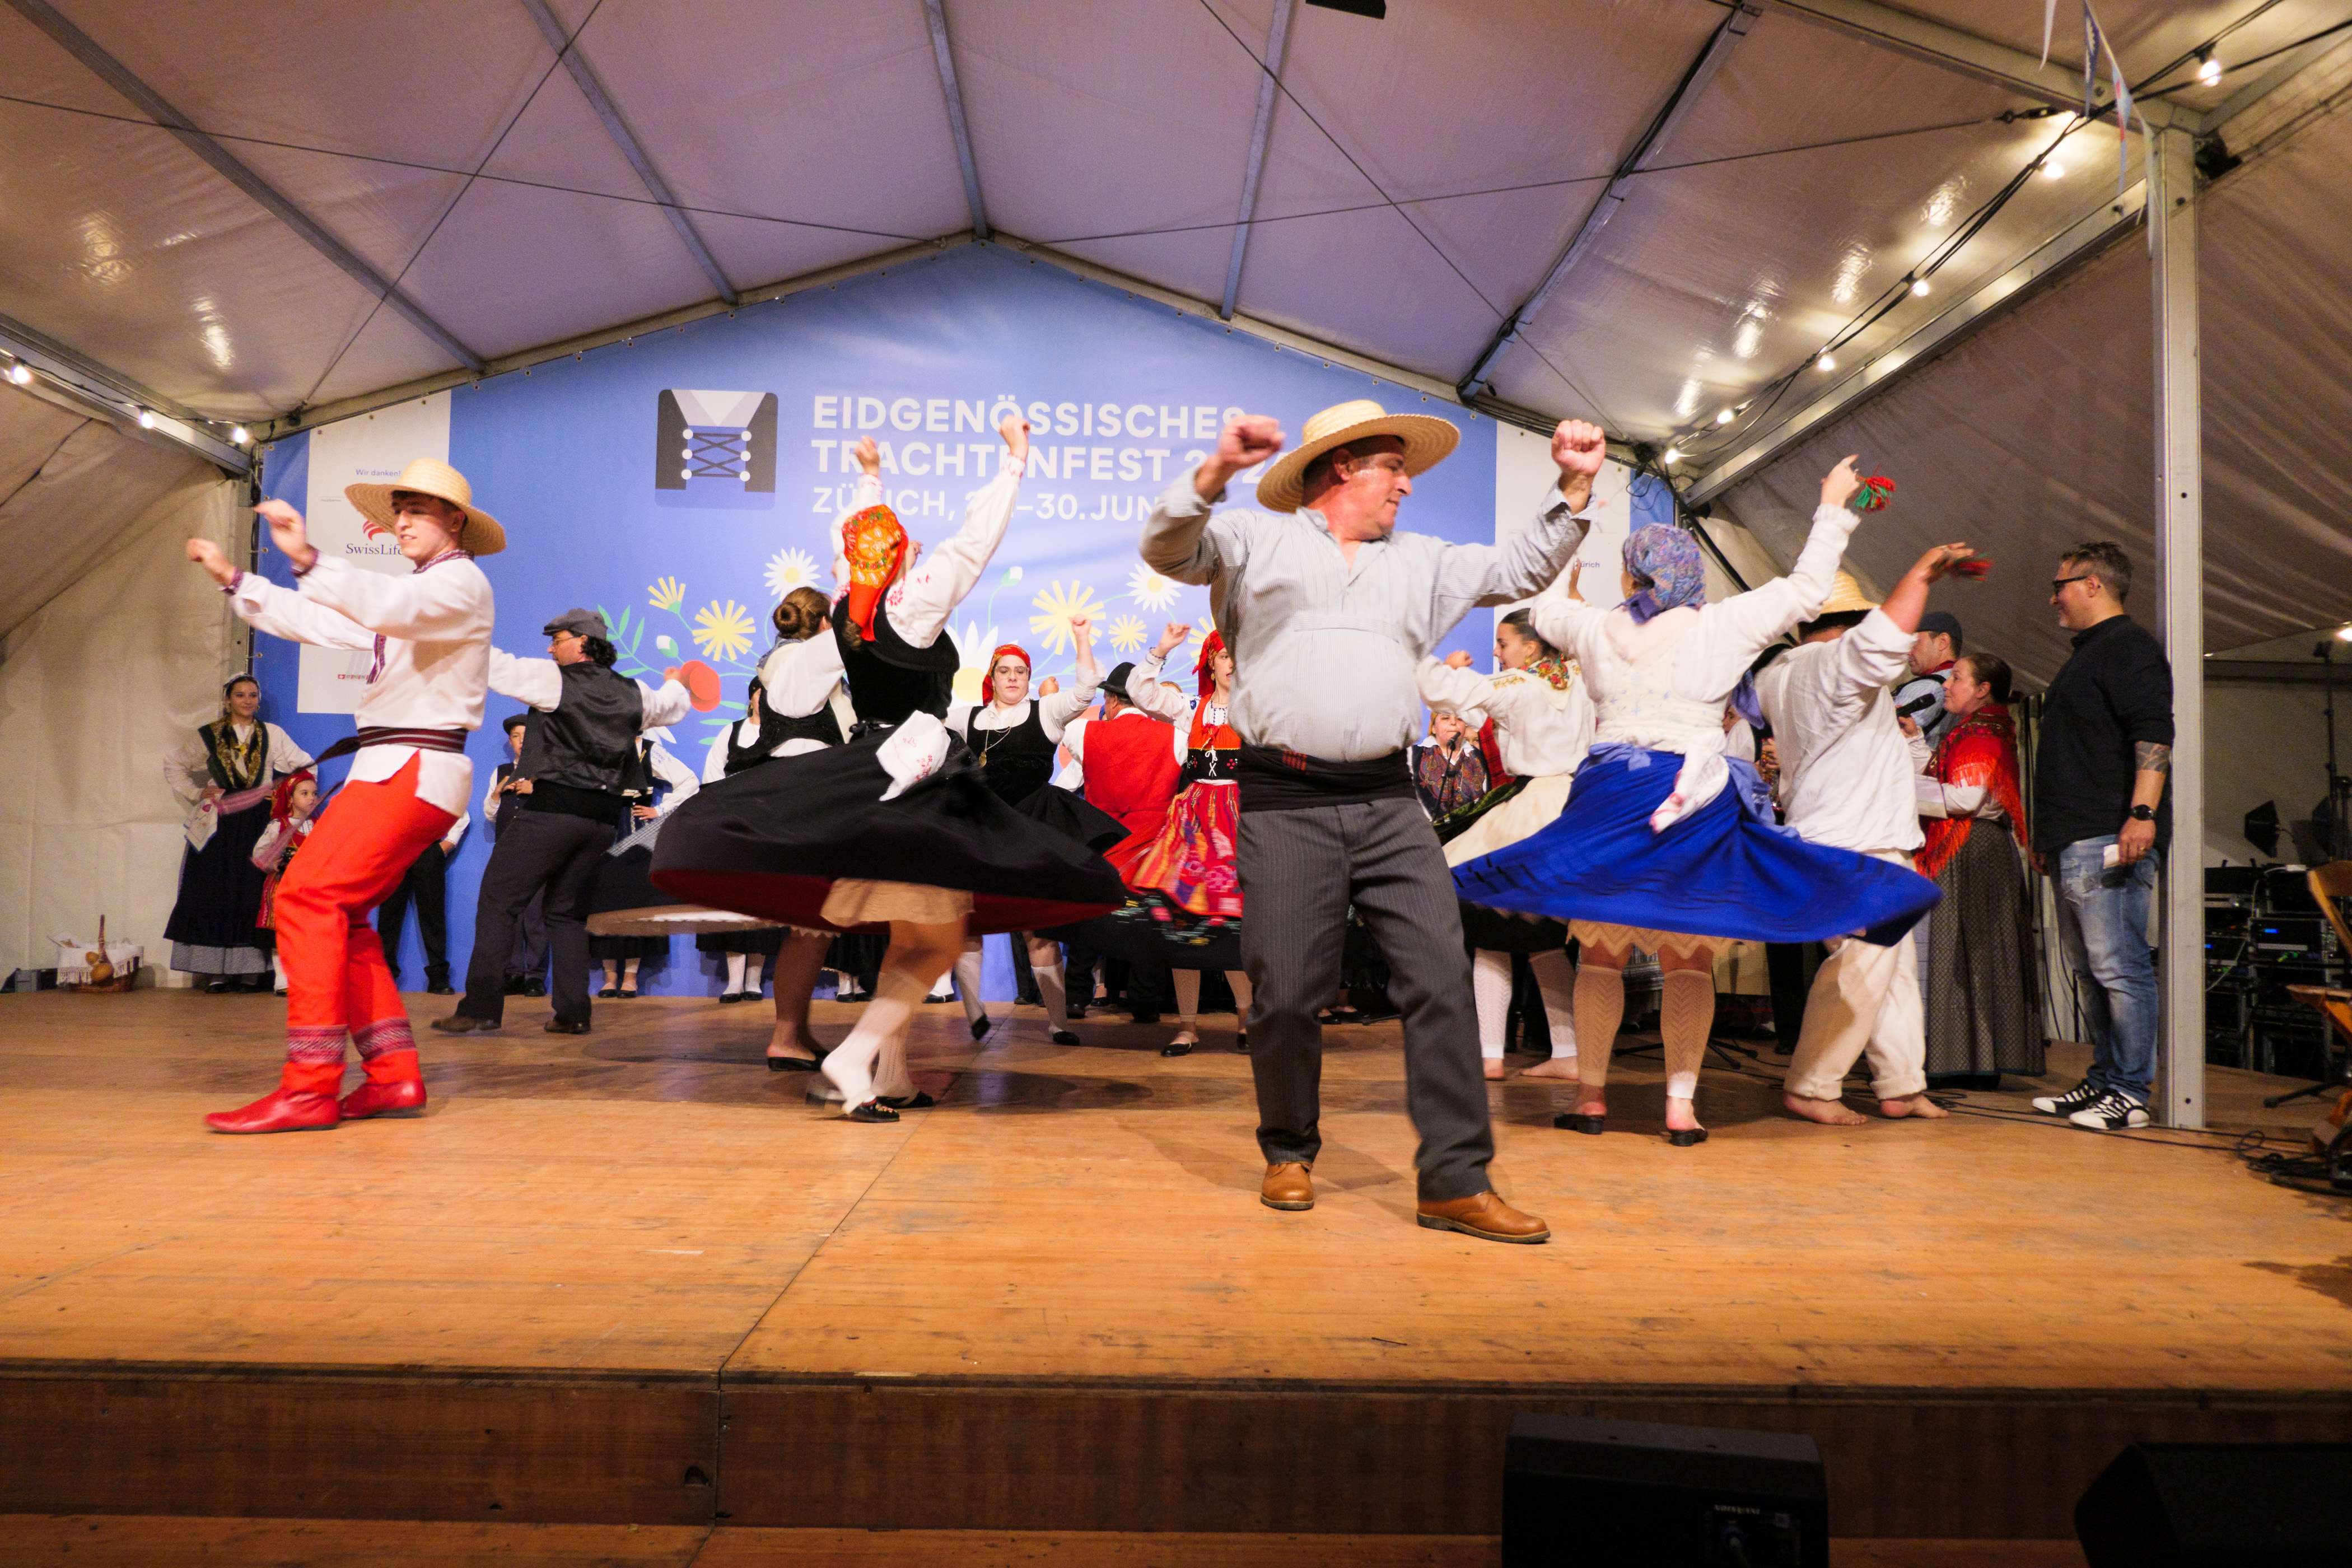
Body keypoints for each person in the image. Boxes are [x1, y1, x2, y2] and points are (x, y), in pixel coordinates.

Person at [1140, 399, 1609, 1243]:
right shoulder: (1257, 539)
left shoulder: (1424, 560)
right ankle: (1288, 1148)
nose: (1406, 484)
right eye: (1393, 466)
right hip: (1286, 801)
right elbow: (1169, 547)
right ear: (1339, 469)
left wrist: (1573, 484)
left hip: (1392, 801)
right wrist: (1215, 473)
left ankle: (1455, 1180)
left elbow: (1521, 564)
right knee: (1284, 992)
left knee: (1440, 976)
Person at [1453, 457, 1942, 1148]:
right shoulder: (1724, 626)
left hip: (1612, 795)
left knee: (1600, 949)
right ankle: (1681, 1107)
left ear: (1630, 578)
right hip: (1694, 799)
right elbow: (1806, 588)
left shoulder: (1593, 630)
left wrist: (1570, 530)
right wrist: (1835, 507)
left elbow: (1549, 607)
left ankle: (1591, 1096)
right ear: (1692, 577)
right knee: (1689, 955)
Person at [651, 417, 1125, 1122]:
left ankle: (892, 1072)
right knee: (937, 935)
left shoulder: (848, 610)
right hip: (918, 779)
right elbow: (973, 545)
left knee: (914, 933)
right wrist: (1014, 465)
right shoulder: (910, 606)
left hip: (869, 773)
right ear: (903, 561)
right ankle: (851, 1059)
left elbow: (853, 543)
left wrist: (870, 479)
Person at [184, 456, 499, 1133]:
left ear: (456, 522)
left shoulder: (459, 583)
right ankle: (392, 1076)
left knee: (306, 897)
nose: (405, 519)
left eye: (420, 508)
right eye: (400, 509)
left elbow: (382, 605)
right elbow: (324, 622)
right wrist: (235, 580)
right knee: (343, 914)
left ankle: (309, 1086)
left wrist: (304, 552)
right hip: (399, 769)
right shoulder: (424, 595)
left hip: (409, 769)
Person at [1756, 552, 1977, 1128]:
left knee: (1893, 964)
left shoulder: (1778, 672)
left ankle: (1901, 1083)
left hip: (1851, 832)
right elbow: (1879, 642)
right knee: (1866, 959)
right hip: (1852, 839)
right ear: (1854, 624)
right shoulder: (1833, 662)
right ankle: (1812, 1082)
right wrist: (1922, 573)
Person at [433, 609, 689, 1038]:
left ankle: (480, 1007)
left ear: (584, 642)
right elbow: (674, 706)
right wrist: (676, 681)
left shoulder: (553, 680)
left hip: (553, 813)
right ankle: (573, 1013)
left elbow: (493, 666)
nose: (550, 649)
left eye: (558, 640)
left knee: (499, 899)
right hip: (602, 823)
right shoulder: (636, 692)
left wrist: (447, 623)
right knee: (567, 915)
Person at [1417, 605, 1595, 1083]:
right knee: (1544, 939)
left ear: (1531, 647)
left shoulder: (1520, 686)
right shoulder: (1579, 676)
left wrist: (1436, 662)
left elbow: (1443, 691)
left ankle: (1492, 1052)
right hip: (1576, 804)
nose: (1497, 653)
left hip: (1535, 803)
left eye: (1504, 644)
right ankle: (1566, 1049)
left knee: (1488, 928)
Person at [2029, 542, 2172, 1131]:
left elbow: (2154, 733)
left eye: (2060, 583)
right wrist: (2047, 836)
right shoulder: (2087, 654)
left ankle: (2131, 1090)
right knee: (2090, 970)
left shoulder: (2131, 648)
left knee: (2119, 966)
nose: (2054, 595)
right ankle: (2105, 1079)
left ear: (2094, 584)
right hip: (2073, 836)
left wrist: (2143, 811)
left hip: (2106, 834)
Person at [945, 627, 1115, 1046]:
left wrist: (1080, 638)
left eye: (1021, 671)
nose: (1014, 678)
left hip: (1031, 830)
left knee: (1037, 930)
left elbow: (1087, 687)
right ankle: (975, 1017)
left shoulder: (1047, 711)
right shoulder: (967, 718)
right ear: (993, 676)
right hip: (981, 832)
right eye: (1005, 671)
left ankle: (1058, 1022)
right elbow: (921, 716)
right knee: (969, 924)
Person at [1098, 623, 1254, 1056]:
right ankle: (1187, 1026)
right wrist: (1161, 650)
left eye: (1237, 656)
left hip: (1239, 821)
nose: (1231, 664)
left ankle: (1247, 1017)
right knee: (1184, 922)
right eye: (1224, 656)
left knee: (1234, 927)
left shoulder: (1257, 710)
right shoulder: (1191, 708)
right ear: (1211, 662)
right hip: (1194, 823)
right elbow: (1143, 692)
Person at [1914, 651, 2043, 1084]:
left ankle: (1968, 1062)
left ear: (1983, 689)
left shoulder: (1983, 734)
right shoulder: (1970, 730)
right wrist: (1915, 743)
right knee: (1968, 955)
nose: (1946, 685)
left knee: (1969, 953)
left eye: (1957, 678)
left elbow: (1965, 799)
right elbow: (1944, 782)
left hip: (1972, 849)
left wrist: (1893, 790)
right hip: (1972, 848)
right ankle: (1968, 1059)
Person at [163, 674, 314, 991]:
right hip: (221, 822)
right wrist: (197, 792)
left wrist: (282, 794)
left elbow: (306, 766)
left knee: (251, 892)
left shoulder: (272, 734)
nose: (248, 701)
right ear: (228, 700)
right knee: (215, 892)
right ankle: (217, 971)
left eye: (253, 695)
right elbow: (174, 764)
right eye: (241, 695)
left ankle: (250, 973)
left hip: (257, 822)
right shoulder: (210, 735)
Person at [590, 732, 698, 997]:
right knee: (605, 900)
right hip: (605, 829)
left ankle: (630, 977)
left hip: (637, 831)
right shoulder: (600, 745)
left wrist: (660, 810)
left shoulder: (651, 751)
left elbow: (689, 781)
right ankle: (609, 976)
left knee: (635, 901)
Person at [484, 713, 548, 996]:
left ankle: (535, 976)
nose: (521, 742)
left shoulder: (547, 771)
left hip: (538, 853)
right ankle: (512, 974)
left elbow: (559, 810)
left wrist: (537, 790)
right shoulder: (500, 772)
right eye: (516, 737)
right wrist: (498, 793)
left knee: (535, 917)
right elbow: (489, 815)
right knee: (508, 916)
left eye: (526, 736)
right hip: (507, 854)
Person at [376, 805, 467, 995]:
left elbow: (459, 806)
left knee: (433, 915)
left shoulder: (438, 777)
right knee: (389, 916)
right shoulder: (391, 778)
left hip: (428, 849)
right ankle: (385, 978)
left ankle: (438, 978)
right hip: (394, 848)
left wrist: (450, 841)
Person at [250, 770, 319, 995]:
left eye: (314, 794)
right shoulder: (278, 825)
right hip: (283, 886)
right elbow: (260, 853)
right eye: (305, 793)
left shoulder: (318, 825)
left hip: (310, 888)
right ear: (290, 798)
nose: (311, 798)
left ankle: (305, 978)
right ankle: (282, 980)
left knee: (307, 935)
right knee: (281, 934)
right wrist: (276, 863)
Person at [1894, 610, 1963, 745]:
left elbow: (1888, 740)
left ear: (1942, 642)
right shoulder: (1965, 689)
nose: (1908, 652)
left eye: (1915, 643)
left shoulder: (1924, 687)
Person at [1410, 711, 1488, 819]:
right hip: (1429, 831)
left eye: (1459, 719)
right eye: (1446, 718)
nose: (1453, 723)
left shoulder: (1481, 757)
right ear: (1433, 727)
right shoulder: (1413, 755)